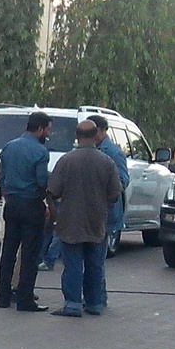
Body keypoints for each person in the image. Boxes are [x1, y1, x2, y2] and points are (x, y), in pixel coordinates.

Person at [46, 120, 122, 318]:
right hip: (97, 220)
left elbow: (53, 190)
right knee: (95, 264)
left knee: (72, 265)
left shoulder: (66, 161)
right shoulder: (106, 161)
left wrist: (55, 211)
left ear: (76, 136)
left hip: (70, 221)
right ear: (96, 134)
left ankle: (72, 304)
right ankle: (95, 303)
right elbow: (115, 192)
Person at [0, 110, 53, 311]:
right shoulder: (40, 152)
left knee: (9, 251)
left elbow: (2, 177)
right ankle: (24, 298)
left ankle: (3, 295)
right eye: (47, 130)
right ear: (40, 128)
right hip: (31, 205)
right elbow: (41, 182)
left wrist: (8, 195)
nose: (48, 134)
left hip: (11, 204)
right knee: (30, 253)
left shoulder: (9, 147)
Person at [90, 114, 130, 261]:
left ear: (100, 131)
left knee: (97, 260)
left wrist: (104, 192)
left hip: (105, 211)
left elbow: (122, 181)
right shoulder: (86, 148)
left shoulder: (113, 152)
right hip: (89, 212)